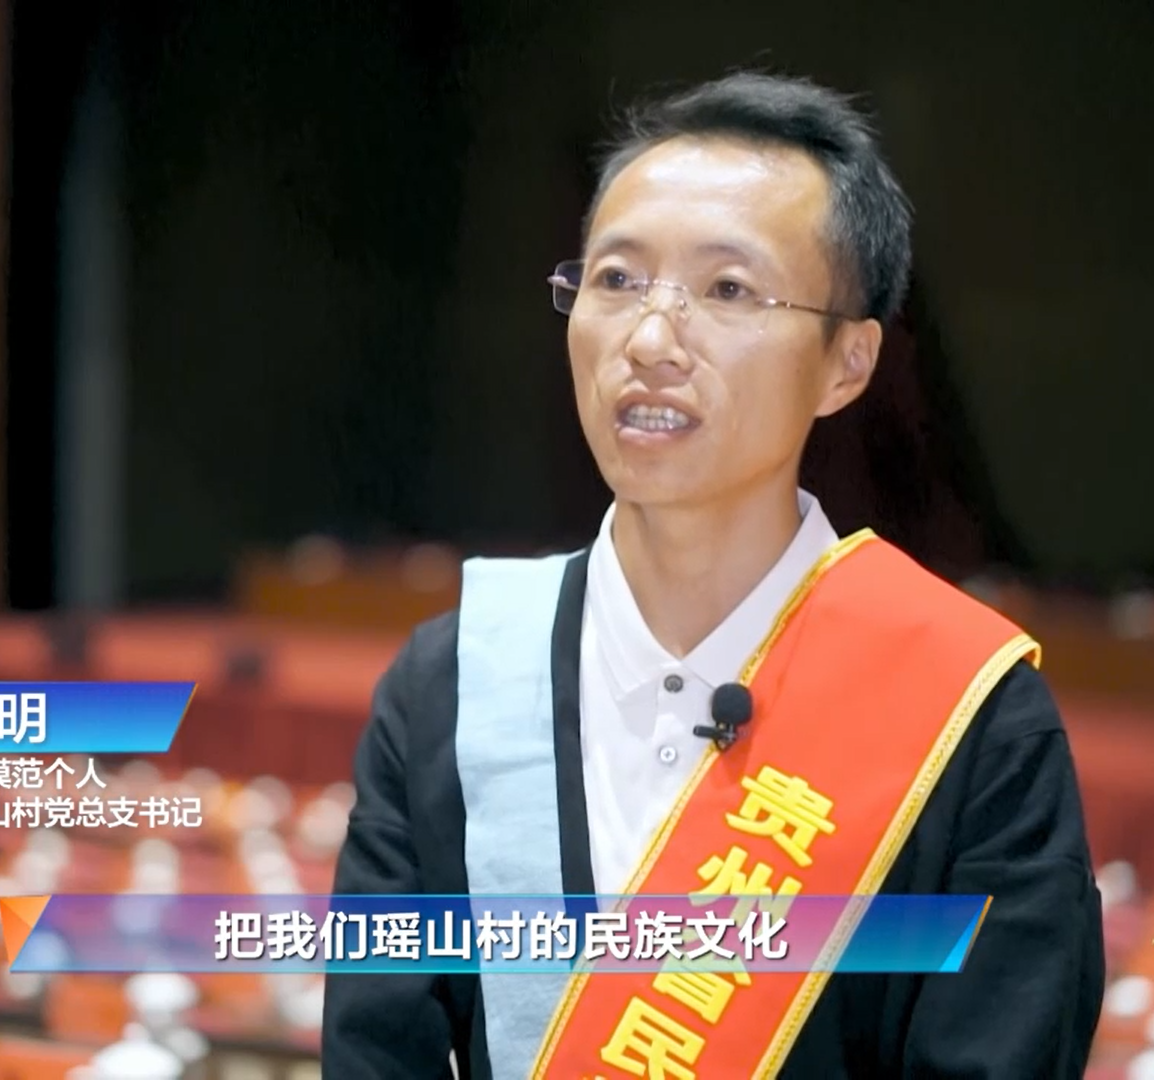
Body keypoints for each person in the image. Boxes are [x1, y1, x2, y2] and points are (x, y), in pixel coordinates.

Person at [323, 71, 1104, 1079]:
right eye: (616, 280)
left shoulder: (975, 719)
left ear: (847, 362)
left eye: (728, 290)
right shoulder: (453, 686)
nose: (650, 340)